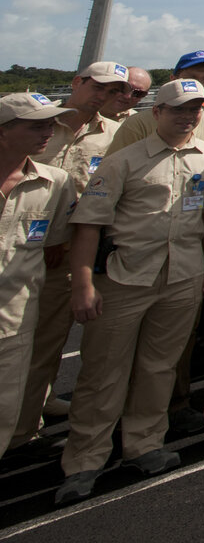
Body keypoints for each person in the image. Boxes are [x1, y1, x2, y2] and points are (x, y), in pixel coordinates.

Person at [55, 78, 204, 504]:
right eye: (178, 109)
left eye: (194, 109)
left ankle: (144, 443)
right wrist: (83, 284)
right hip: (126, 278)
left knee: (159, 367)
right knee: (102, 372)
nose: (187, 116)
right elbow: (88, 224)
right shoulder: (122, 162)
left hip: (182, 277)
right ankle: (85, 459)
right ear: (156, 113)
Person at [12, 61, 124, 455]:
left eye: (113, 92)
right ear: (77, 83)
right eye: (98, 87)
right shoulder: (40, 121)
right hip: (20, 242)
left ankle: (26, 425)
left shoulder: (114, 135)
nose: (105, 96)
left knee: (46, 341)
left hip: (69, 246)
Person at [0, 93, 77, 457]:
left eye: (50, 124)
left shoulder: (56, 183)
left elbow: (55, 246)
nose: (48, 132)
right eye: (37, 125)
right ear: (4, 132)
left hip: (15, 320)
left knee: (5, 410)